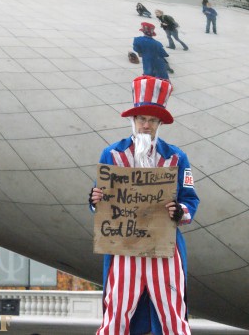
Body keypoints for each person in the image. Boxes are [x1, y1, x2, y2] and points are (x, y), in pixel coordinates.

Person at [90, 75, 200, 335]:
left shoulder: (176, 157)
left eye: (152, 120)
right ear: (133, 121)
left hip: (164, 248)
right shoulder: (112, 154)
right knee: (116, 313)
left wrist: (178, 211)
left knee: (173, 316)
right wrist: (95, 200)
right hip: (124, 247)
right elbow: (102, 203)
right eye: (142, 119)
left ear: (159, 123)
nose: (146, 125)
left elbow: (190, 200)